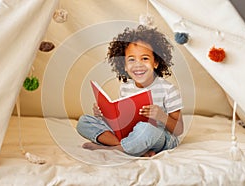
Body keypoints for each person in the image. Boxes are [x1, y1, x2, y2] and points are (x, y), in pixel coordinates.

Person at [76, 25, 183, 157]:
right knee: (83, 122)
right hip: (131, 133)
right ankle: (134, 147)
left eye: (145, 58)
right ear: (125, 66)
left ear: (156, 63)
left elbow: (178, 130)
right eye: (131, 59)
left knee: (145, 129)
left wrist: (161, 116)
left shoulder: (168, 90)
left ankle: (115, 149)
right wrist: (103, 114)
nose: (138, 64)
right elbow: (121, 121)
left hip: (159, 136)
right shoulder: (126, 87)